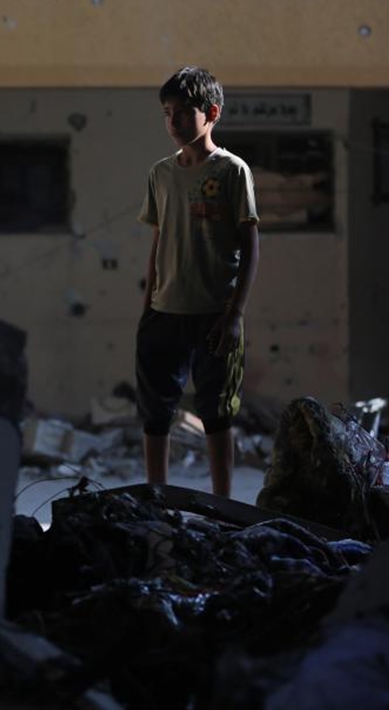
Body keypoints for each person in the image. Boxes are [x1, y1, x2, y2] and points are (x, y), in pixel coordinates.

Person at [135, 66, 259, 497]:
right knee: (155, 412)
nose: (173, 122)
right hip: (164, 311)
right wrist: (149, 302)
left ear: (212, 113)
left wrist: (235, 314)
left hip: (215, 312)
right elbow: (158, 239)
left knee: (216, 413)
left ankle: (223, 504)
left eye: (184, 113)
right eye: (167, 113)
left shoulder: (231, 171)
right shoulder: (160, 174)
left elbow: (250, 244)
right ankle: (157, 499)